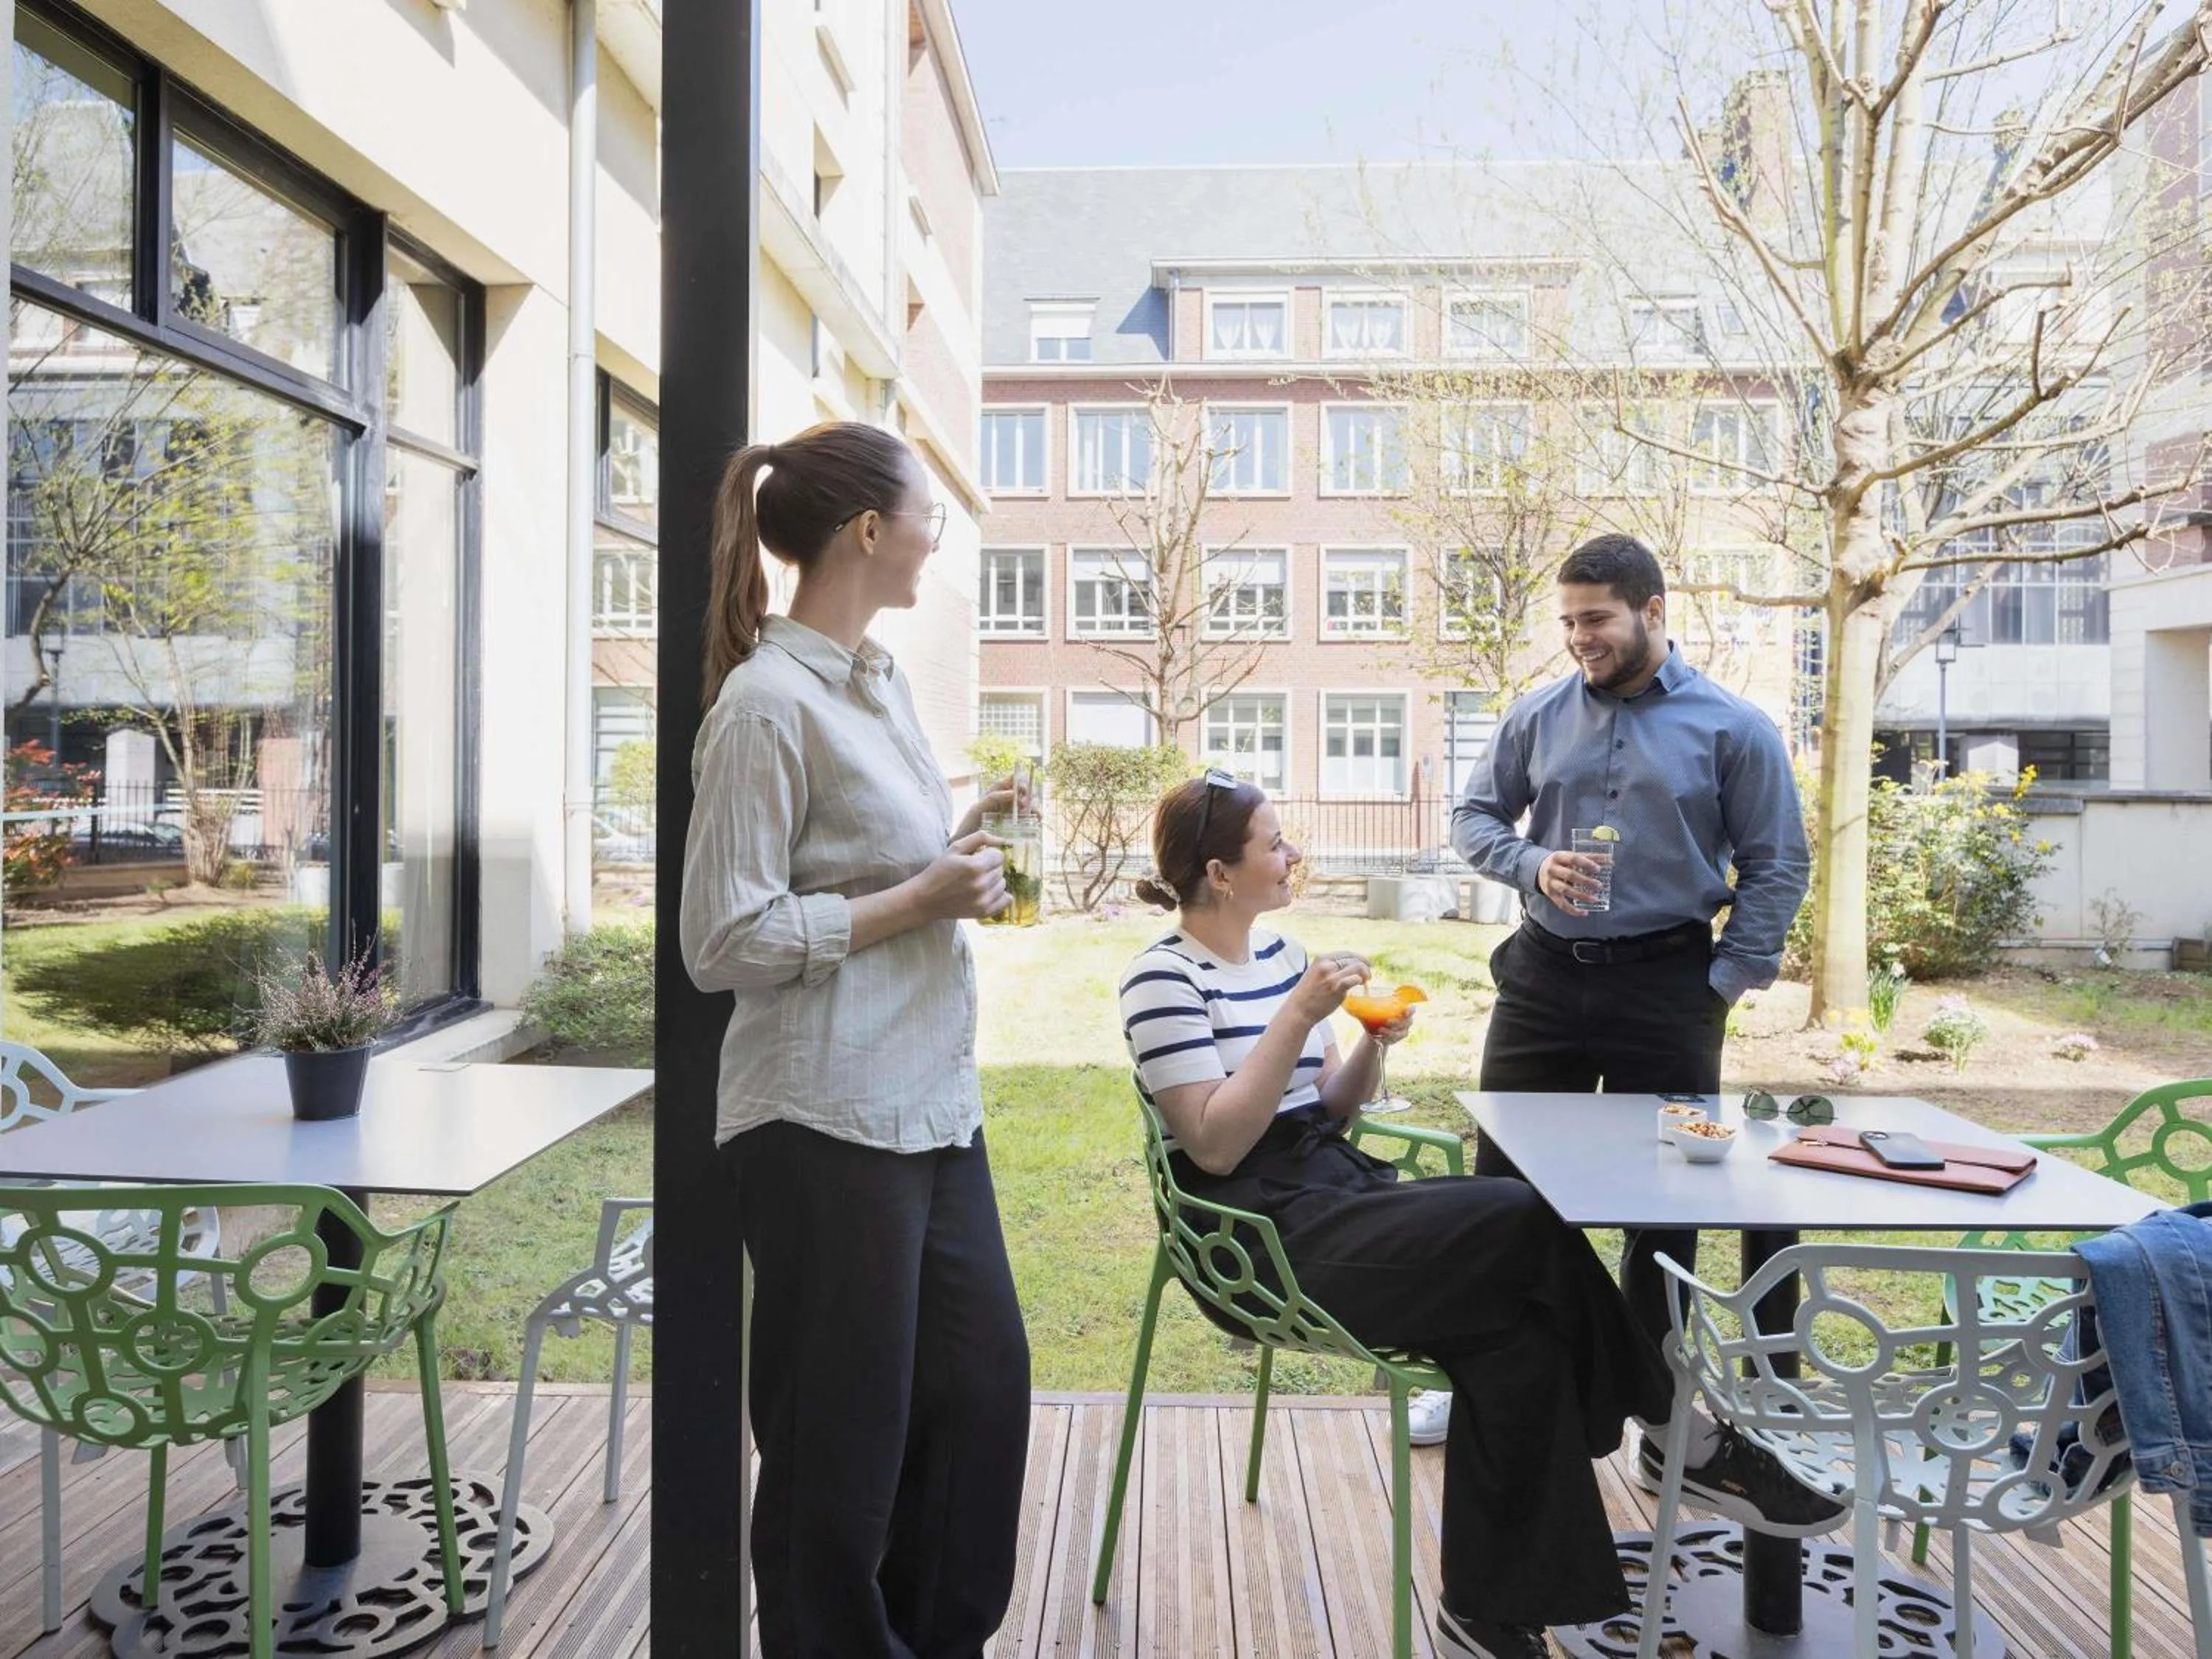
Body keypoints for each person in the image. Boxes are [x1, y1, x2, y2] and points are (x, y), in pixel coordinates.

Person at [1119, 773, 1826, 1659]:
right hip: (1258, 1235)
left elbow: (1331, 1111)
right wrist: (1300, 1019)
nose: (1292, 852)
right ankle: (1684, 1434)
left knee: (1519, 1340)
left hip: (1334, 1187)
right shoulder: (1161, 977)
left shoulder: (1283, 957)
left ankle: (1484, 1617)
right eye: (1273, 843)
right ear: (1220, 873)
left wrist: (1367, 1044)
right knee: (1527, 1212)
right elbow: (1216, 1147)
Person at [681, 420, 1031, 1659]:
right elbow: (722, 942)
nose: (941, 533)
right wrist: (919, 902)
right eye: (926, 512)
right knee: (841, 1446)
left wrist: (964, 822)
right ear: (869, 531)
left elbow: (862, 842)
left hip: (929, 1104)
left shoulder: (874, 681)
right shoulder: (765, 705)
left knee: (979, 1400)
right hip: (822, 1119)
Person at [1451, 532, 1829, 1521]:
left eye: (1596, 620)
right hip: (1540, 982)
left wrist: (1721, 982)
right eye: (1569, 621)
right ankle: (1497, 1391)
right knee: (1504, 1194)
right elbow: (1476, 815)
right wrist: (1532, 867)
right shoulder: (1539, 713)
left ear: (1653, 612)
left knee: (1667, 1214)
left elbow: (1777, 864)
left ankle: (1668, 1427)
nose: (1580, 638)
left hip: (1668, 988)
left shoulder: (1733, 730)